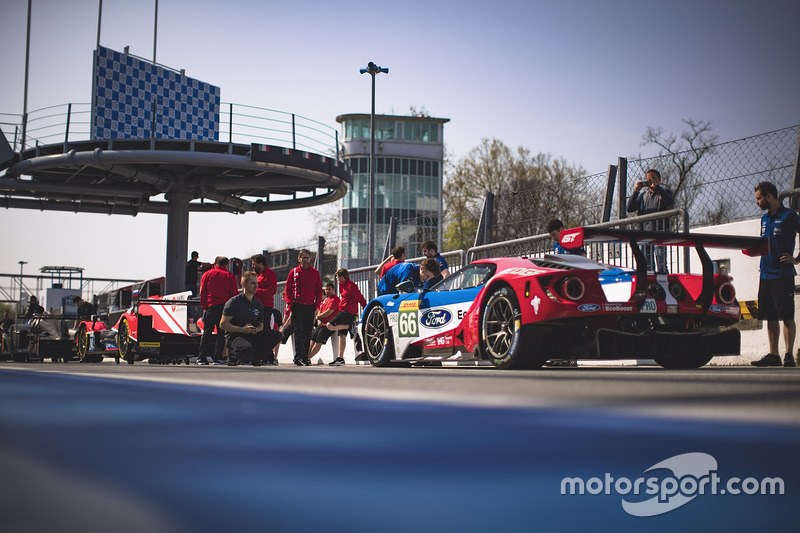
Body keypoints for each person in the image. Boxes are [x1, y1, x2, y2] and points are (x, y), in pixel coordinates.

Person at [751, 181, 798, 368]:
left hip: (783, 274)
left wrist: (796, 259)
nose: (757, 202)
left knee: (787, 315)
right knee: (770, 316)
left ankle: (789, 355)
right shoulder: (764, 219)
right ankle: (773, 355)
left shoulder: (789, 216)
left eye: (759, 198)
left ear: (769, 196)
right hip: (765, 275)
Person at [219, 271, 281, 366]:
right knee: (246, 348)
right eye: (253, 283)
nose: (256, 286)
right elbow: (223, 324)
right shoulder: (234, 302)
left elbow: (261, 325)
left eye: (257, 283)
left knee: (277, 335)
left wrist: (256, 330)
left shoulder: (258, 304)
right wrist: (243, 329)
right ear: (244, 284)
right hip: (236, 336)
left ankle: (256, 357)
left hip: (252, 335)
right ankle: (234, 356)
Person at [626, 168, 675, 273]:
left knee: (661, 260)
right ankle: (649, 281)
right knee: (647, 263)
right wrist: (636, 191)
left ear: (659, 180)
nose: (650, 181)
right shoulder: (643, 195)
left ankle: (663, 280)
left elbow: (670, 202)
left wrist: (658, 188)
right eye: (648, 179)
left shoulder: (664, 192)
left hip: (660, 233)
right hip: (645, 234)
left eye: (653, 178)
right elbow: (630, 208)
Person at [284, 249, 323, 366]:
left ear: (310, 259)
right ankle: (299, 357)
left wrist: (316, 306)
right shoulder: (293, 272)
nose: (305, 260)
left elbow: (318, 291)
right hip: (297, 306)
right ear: (299, 259)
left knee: (307, 333)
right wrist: (290, 304)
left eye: (307, 258)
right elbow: (288, 290)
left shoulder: (315, 273)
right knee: (298, 332)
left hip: (310, 307)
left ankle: (305, 357)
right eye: (303, 257)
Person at [198, 256, 239, 365]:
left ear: (215, 263)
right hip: (225, 307)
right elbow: (234, 294)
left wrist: (205, 306)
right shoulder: (229, 275)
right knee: (222, 333)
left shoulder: (207, 274)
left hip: (211, 306)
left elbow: (203, 292)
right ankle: (217, 357)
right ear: (227, 265)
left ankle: (202, 357)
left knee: (207, 332)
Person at [322, 269, 367, 366]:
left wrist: (366, 309)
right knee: (342, 336)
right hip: (342, 312)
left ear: (342, 277)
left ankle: (349, 326)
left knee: (329, 325)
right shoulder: (342, 285)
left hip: (349, 313)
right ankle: (340, 359)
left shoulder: (352, 286)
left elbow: (361, 298)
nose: (337, 279)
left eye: (338, 277)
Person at [251, 253, 279, 364]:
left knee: (265, 331)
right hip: (254, 307)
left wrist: (256, 291)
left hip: (265, 307)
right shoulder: (255, 275)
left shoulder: (270, 274)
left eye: (254, 264)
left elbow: (272, 290)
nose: (253, 266)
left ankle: (269, 357)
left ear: (261, 264)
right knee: (256, 331)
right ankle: (261, 355)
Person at [307, 283, 340, 361]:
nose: (327, 291)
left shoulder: (335, 299)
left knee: (319, 341)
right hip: (321, 324)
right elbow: (319, 311)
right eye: (326, 289)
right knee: (312, 338)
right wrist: (318, 320)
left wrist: (318, 317)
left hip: (329, 325)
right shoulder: (325, 300)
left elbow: (329, 312)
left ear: (333, 290)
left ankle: (308, 358)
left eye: (329, 289)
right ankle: (306, 356)